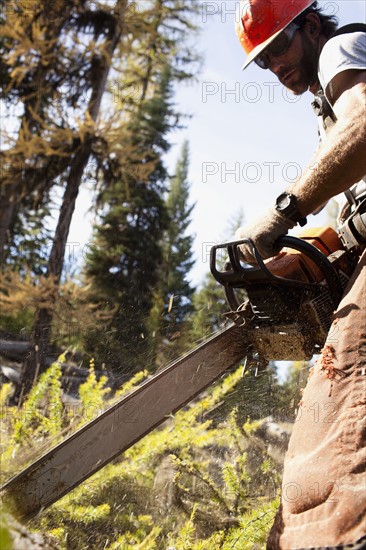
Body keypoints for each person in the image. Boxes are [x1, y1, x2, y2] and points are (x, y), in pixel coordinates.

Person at [234, 1, 366, 548]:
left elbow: (365, 125)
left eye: (279, 49)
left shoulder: (342, 50)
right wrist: (315, 254)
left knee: (345, 389)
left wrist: (286, 211)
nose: (275, 67)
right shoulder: (327, 108)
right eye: (262, 63)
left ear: (310, 26)